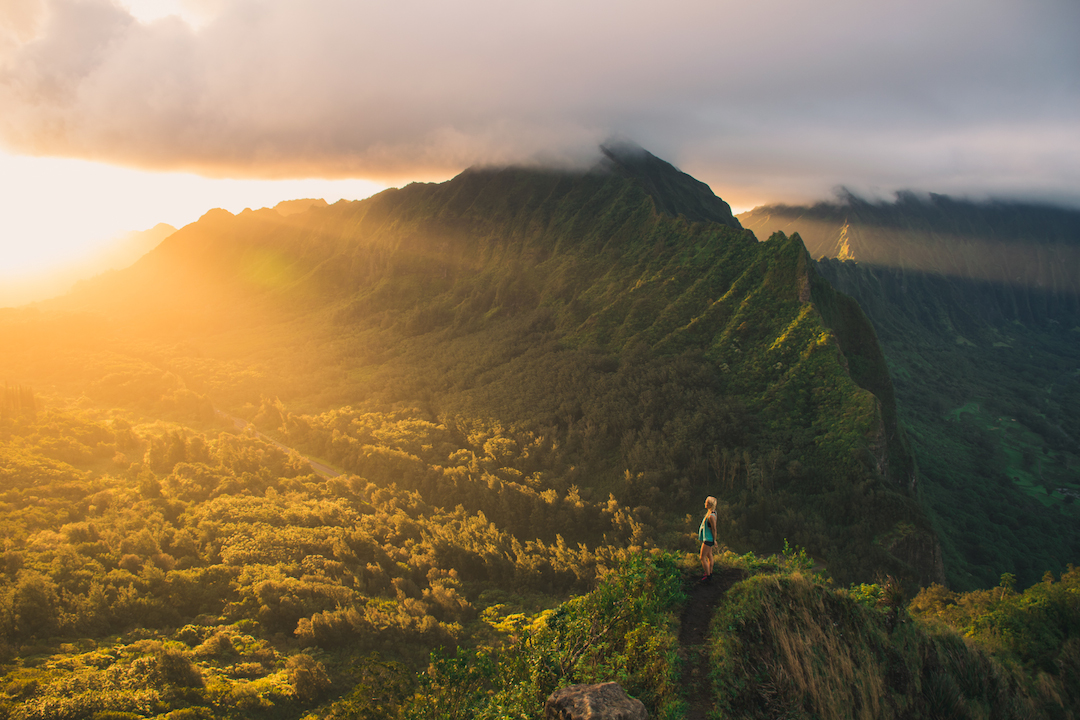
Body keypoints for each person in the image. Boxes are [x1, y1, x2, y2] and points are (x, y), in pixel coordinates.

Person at [698, 496, 718, 581]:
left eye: (706, 502)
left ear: (709, 504)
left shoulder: (711, 516)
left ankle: (708, 576)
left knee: (702, 557)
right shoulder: (712, 513)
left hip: (708, 539)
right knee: (709, 555)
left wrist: (714, 540)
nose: (705, 504)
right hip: (709, 539)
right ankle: (710, 572)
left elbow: (714, 529)